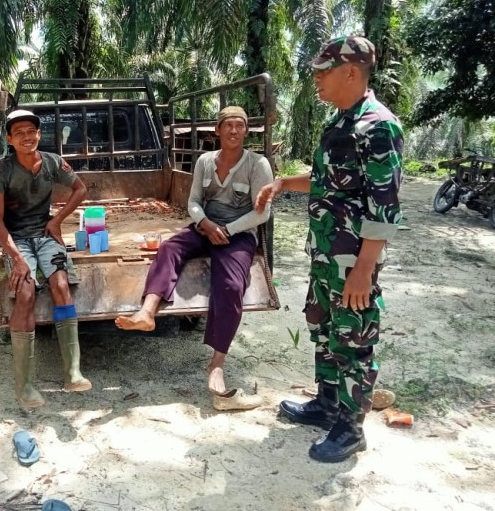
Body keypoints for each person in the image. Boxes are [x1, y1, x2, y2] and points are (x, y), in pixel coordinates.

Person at [255, 35, 403, 463]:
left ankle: (351, 427)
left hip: (352, 260)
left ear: (351, 72)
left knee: (353, 339)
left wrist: (363, 269)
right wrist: (284, 182)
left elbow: (384, 205)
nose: (316, 80)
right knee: (323, 328)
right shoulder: (341, 123)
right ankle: (327, 404)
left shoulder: (378, 125)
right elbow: (326, 181)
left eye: (324, 72)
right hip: (325, 254)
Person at [116, 106, 274, 410]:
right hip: (206, 226)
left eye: (239, 126)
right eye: (227, 125)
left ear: (246, 131)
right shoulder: (204, 161)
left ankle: (216, 364)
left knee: (230, 285)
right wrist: (205, 224)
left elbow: (261, 212)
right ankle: (147, 313)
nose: (233, 131)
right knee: (169, 248)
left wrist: (226, 229)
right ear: (217, 131)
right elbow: (193, 203)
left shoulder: (258, 164)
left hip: (239, 233)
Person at [0, 109, 91, 409]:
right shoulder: (0, 170)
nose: (27, 137)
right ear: (9, 139)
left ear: (38, 134)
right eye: (19, 133)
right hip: (14, 239)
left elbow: (80, 188)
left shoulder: (52, 162)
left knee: (61, 285)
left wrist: (57, 220)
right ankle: (26, 387)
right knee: (26, 293)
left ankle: (73, 372)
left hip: (44, 234)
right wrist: (17, 258)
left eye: (31, 131)